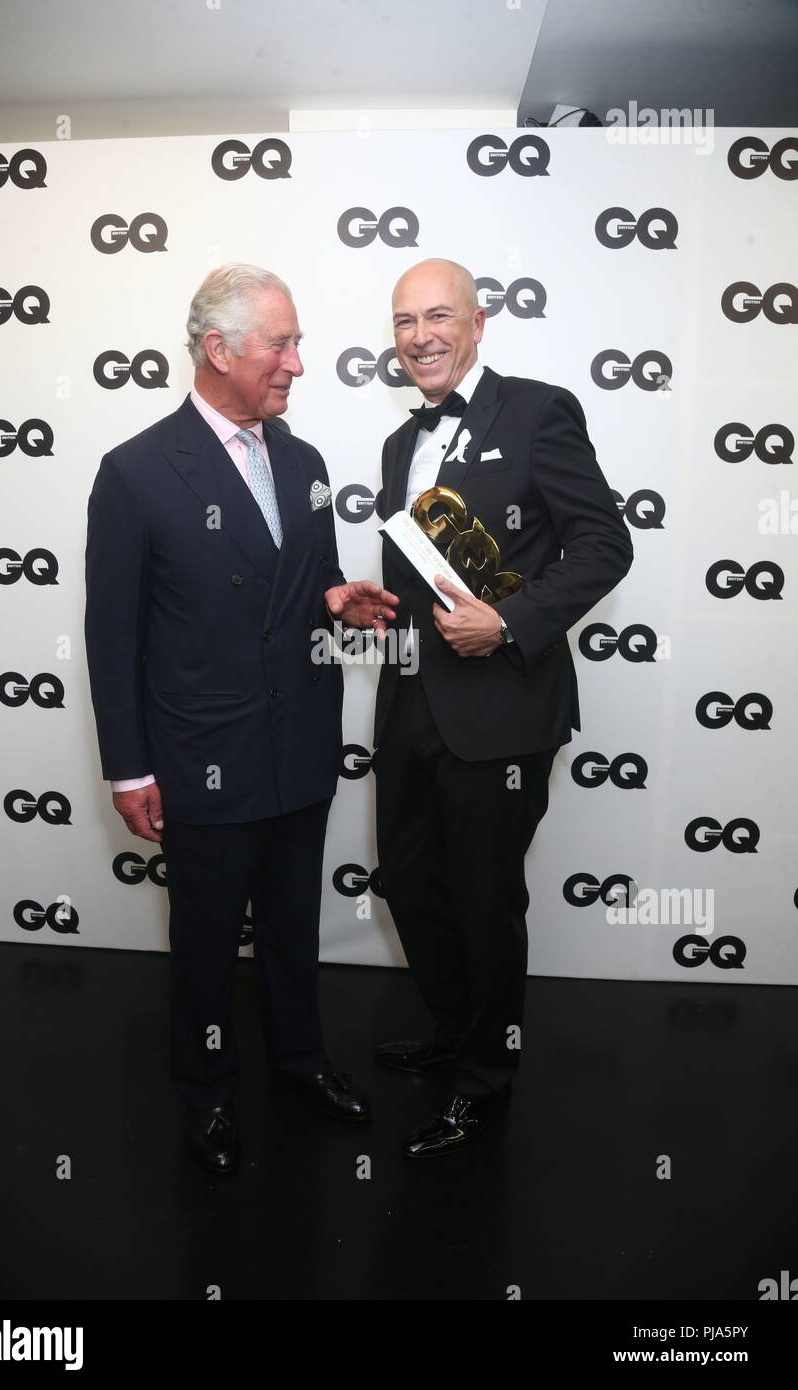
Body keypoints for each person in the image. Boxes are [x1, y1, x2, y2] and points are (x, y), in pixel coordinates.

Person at [84, 263, 397, 1176]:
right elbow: (113, 637)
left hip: (299, 744)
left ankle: (300, 1063)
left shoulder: (302, 461)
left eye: (296, 342)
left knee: (295, 927)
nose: (298, 362)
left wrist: (334, 602)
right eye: (281, 344)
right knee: (208, 943)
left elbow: (301, 589)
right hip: (201, 757)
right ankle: (208, 1091)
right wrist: (129, 769)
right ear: (218, 350)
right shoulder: (135, 473)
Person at [372, 257, 633, 1158]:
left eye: (438, 316)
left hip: (501, 710)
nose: (421, 337)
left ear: (479, 322)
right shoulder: (399, 445)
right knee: (410, 881)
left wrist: (514, 622)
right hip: (407, 702)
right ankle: (456, 1032)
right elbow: (425, 574)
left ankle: (485, 1083)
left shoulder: (538, 410)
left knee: (485, 903)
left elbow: (605, 543)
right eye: (405, 322)